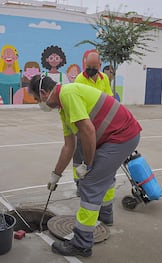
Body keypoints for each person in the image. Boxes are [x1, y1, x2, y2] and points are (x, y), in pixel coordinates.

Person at [28, 75, 142, 257]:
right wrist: (55, 174)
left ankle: (81, 245)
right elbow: (69, 145)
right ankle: (104, 216)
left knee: (91, 183)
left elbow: (88, 130)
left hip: (122, 136)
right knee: (102, 175)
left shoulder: (68, 93)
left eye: (36, 100)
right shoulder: (62, 107)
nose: (38, 104)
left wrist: (88, 166)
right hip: (116, 136)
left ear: (43, 93)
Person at [74, 50, 115, 226]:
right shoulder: (79, 81)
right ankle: (80, 186)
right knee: (80, 161)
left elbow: (110, 99)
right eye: (88, 67)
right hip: (85, 127)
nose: (91, 70)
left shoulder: (104, 79)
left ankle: (104, 211)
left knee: (101, 167)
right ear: (84, 65)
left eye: (94, 67)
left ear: (99, 66)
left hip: (102, 128)